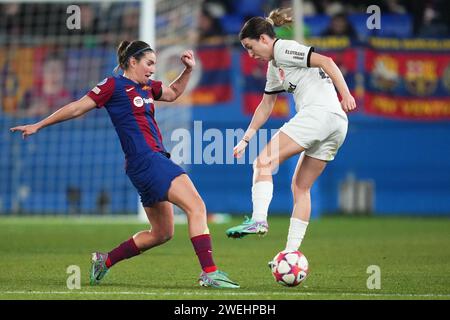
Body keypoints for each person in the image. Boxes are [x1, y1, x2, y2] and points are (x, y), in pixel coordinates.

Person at [10, 40, 239, 289]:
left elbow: (172, 94)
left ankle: (105, 261)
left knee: (162, 233)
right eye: (149, 63)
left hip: (145, 163)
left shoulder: (148, 87)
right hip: (147, 159)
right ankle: (210, 272)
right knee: (196, 206)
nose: (153, 69)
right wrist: (38, 125)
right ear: (132, 62)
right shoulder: (113, 85)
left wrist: (188, 70)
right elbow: (77, 108)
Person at [225, 9, 356, 257]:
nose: (251, 55)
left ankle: (259, 220)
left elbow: (327, 62)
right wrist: (245, 139)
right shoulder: (275, 66)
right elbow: (266, 106)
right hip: (337, 124)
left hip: (319, 115)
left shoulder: (283, 49)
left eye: (250, 47)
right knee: (301, 187)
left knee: (264, 162)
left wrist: (346, 94)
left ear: (264, 38)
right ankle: (291, 254)